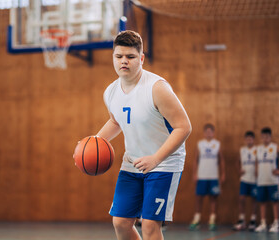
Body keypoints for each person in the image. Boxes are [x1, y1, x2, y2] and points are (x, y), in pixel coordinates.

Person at [90, 30, 191, 240]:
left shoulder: (157, 88)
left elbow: (183, 127)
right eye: (119, 57)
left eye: (130, 57)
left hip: (164, 163)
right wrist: (94, 143)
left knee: (150, 225)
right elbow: (116, 121)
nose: (124, 61)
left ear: (141, 58)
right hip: (133, 163)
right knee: (120, 222)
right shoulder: (110, 92)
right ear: (113, 58)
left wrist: (156, 158)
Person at [189, 124, 225, 231]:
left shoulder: (217, 144)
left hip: (213, 176)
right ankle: (197, 219)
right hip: (202, 175)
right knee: (199, 198)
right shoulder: (200, 144)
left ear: (213, 133)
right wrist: (194, 174)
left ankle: (212, 220)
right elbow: (196, 160)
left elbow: (221, 160)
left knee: (213, 198)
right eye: (207, 132)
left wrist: (223, 174)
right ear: (204, 133)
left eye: (211, 132)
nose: (209, 134)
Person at [254, 127, 279, 233]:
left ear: (270, 137)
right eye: (263, 137)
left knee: (275, 202)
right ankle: (263, 223)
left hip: (273, 180)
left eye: (267, 137)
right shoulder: (258, 149)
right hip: (261, 180)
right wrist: (256, 172)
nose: (265, 139)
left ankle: (276, 223)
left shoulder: (275, 147)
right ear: (261, 137)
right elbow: (256, 162)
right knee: (262, 202)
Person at [233, 131, 257, 231]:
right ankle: (242, 219)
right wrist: (239, 170)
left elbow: (259, 162)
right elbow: (237, 162)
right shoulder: (242, 150)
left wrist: (257, 170)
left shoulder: (257, 150)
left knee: (254, 199)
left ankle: (253, 220)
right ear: (245, 140)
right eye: (247, 139)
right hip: (244, 178)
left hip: (254, 179)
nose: (249, 140)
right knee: (242, 198)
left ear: (253, 140)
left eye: (251, 139)